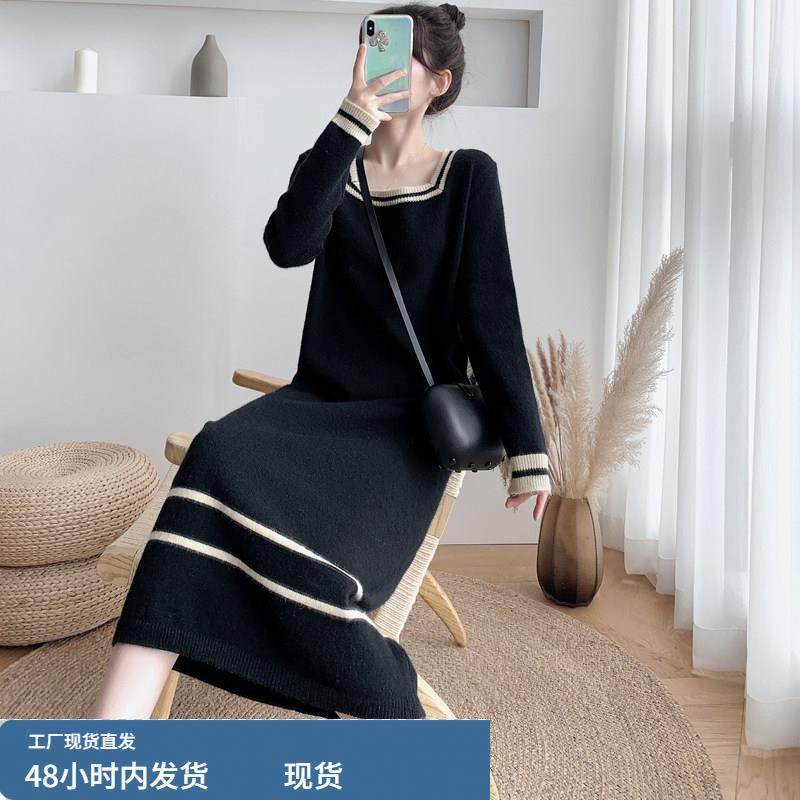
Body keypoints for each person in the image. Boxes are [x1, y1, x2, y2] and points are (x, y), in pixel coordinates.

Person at [89, 2, 551, 722]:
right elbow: (288, 245)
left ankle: (379, 702)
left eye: (402, 57)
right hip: (317, 404)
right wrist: (349, 122)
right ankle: (109, 734)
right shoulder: (335, 161)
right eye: (372, 50)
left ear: (440, 83)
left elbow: (492, 312)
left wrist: (529, 448)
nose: (381, 67)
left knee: (316, 570)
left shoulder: (467, 177)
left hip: (404, 432)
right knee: (216, 448)